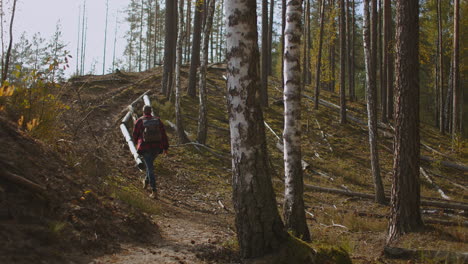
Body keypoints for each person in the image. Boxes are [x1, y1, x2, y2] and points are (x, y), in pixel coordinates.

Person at [132, 105, 169, 199]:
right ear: (151, 111)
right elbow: (164, 135)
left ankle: (154, 191)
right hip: (157, 148)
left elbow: (135, 135)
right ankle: (145, 181)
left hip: (145, 148)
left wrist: (137, 143)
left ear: (143, 111)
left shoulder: (139, 121)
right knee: (149, 166)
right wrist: (165, 147)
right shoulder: (157, 120)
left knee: (150, 168)